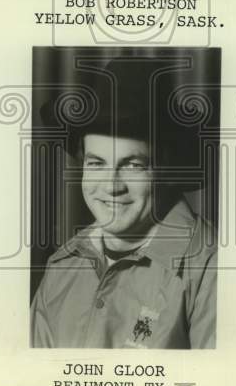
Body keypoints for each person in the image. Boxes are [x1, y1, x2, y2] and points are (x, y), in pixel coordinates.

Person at [30, 61, 217, 348]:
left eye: (133, 165)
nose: (111, 186)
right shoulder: (62, 267)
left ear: (166, 170)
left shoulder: (212, 269)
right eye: (96, 164)